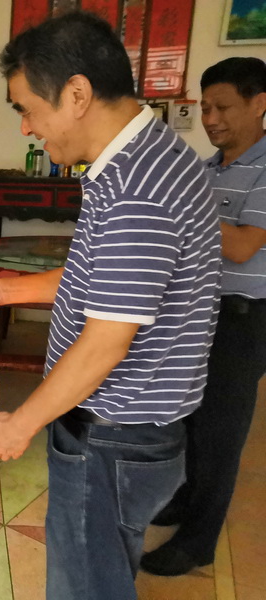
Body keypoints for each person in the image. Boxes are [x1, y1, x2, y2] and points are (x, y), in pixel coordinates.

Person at [0, 12, 221, 600]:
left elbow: (105, 343)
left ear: (76, 94)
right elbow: (97, 280)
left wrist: (22, 423)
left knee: (85, 589)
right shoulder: (148, 158)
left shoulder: (136, 189)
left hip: (113, 438)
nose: (26, 127)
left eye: (27, 108)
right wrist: (2, 290)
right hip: (129, 434)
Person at [140, 57, 266, 577]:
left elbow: (241, 246)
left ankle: (199, 542)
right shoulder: (209, 169)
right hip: (202, 312)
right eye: (205, 107)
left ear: (259, 104)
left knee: (220, 434)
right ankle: (185, 498)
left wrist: (181, 207)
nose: (210, 119)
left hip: (242, 319)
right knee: (190, 418)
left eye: (222, 107)